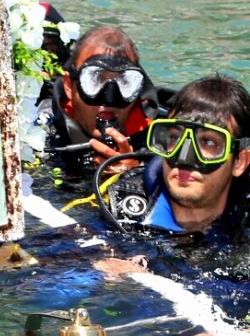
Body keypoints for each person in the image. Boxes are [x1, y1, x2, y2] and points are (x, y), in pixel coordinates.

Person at [102, 73, 250, 236]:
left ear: (240, 162)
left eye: (208, 142)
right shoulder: (115, 208)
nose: (184, 157)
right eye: (174, 137)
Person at [39, 25, 163, 178]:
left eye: (124, 82)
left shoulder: (159, 140)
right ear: (68, 86)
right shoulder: (40, 134)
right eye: (94, 79)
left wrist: (133, 177)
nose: (109, 99)